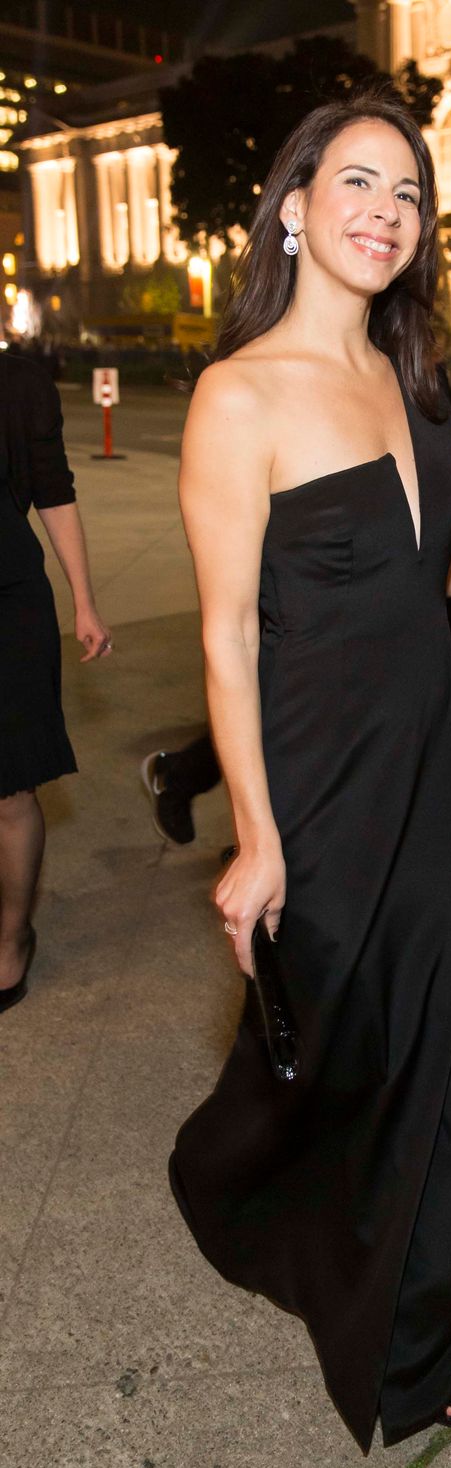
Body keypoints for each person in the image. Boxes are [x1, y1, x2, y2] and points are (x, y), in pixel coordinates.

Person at [166, 91, 451, 1453]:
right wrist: (257, 837)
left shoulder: (410, 379)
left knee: (439, 1040)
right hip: (319, 778)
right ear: (294, 207)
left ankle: (418, 1340)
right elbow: (227, 634)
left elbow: (433, 568)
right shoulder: (238, 393)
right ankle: (241, 1179)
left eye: (408, 191)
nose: (386, 210)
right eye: (357, 181)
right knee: (343, 1038)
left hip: (433, 760)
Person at [0, 353, 112, 1014]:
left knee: (10, 788)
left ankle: (11, 939)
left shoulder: (19, 384)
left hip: (7, 601)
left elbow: (54, 491)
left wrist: (84, 602)